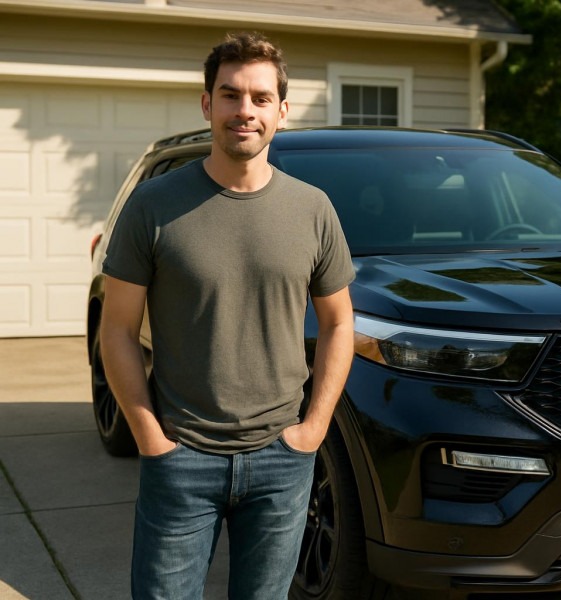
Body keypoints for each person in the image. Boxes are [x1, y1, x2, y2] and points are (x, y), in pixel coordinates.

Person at [99, 31, 355, 599]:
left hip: (281, 461)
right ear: (207, 103)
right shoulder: (154, 206)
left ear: (281, 111)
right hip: (180, 455)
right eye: (231, 94)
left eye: (261, 98)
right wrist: (149, 438)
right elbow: (115, 330)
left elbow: (339, 323)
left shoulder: (313, 210)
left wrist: (311, 432)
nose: (245, 110)